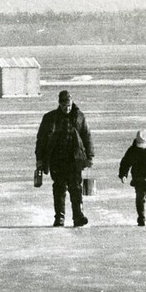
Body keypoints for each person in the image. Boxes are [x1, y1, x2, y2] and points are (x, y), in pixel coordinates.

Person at [36, 90, 94, 227]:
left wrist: (90, 156)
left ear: (72, 102)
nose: (67, 108)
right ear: (59, 104)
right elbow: (41, 140)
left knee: (76, 188)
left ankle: (78, 216)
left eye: (68, 105)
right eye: (64, 106)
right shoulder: (50, 118)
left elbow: (87, 136)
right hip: (57, 159)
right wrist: (39, 159)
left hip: (75, 159)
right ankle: (59, 217)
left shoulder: (80, 117)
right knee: (59, 188)